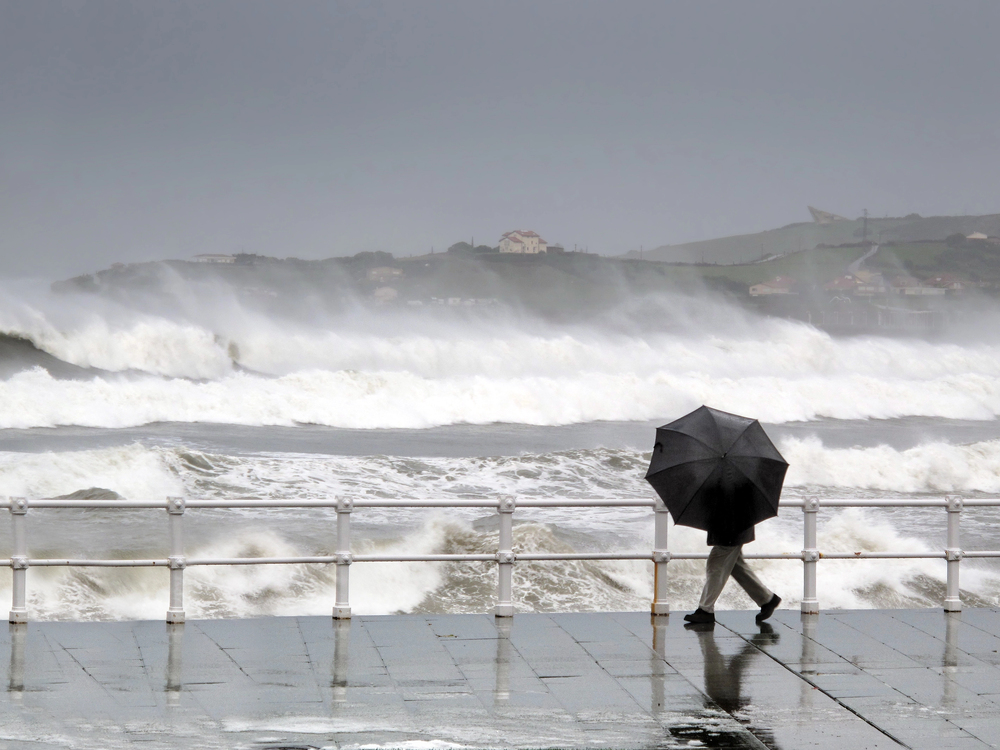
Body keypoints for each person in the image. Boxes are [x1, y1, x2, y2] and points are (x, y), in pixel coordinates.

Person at [683, 523, 780, 625]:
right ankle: (767, 599)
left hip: (731, 528)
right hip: (734, 526)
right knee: (735, 566)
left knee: (716, 564)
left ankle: (705, 610)